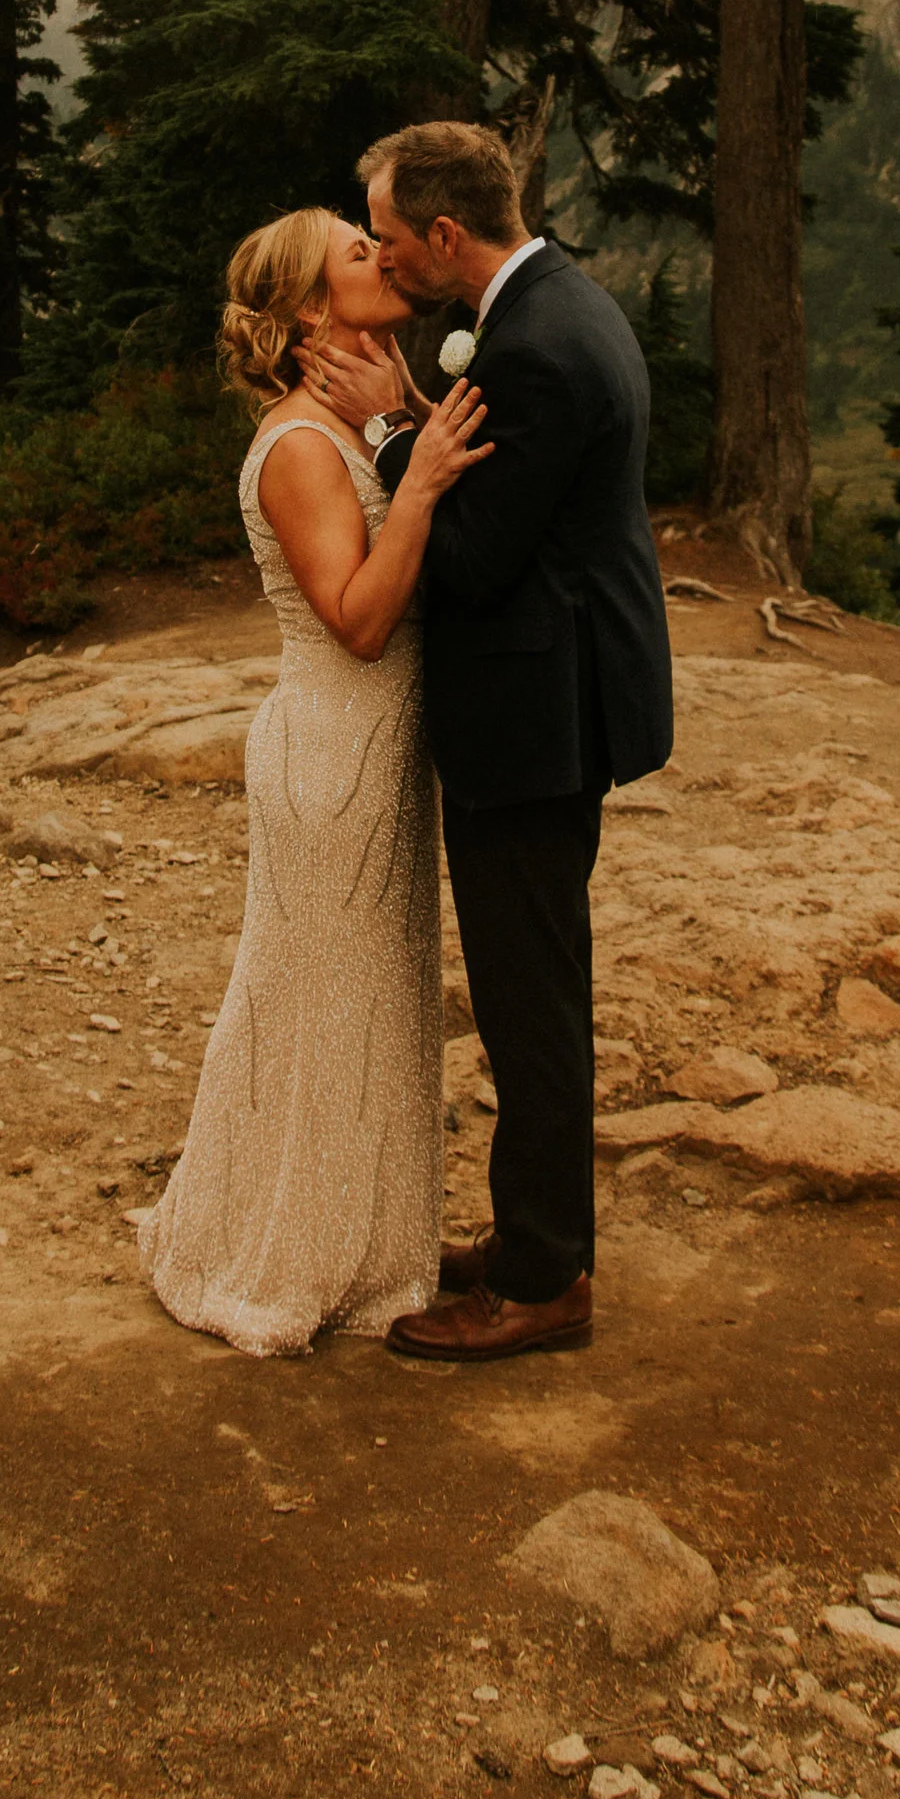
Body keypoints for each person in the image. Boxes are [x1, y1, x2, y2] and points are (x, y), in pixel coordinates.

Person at [307, 121, 674, 1367]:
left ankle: (543, 1278)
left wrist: (387, 437)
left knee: (529, 1001)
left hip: (535, 711)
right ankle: (531, 1241)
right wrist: (418, 414)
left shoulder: (537, 355)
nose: (383, 255)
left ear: (446, 237)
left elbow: (470, 557)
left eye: (391, 235)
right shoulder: (557, 306)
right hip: (567, 691)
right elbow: (516, 483)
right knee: (533, 987)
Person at [138, 211, 492, 1356]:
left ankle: (369, 1246)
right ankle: (278, 1256)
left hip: (378, 756)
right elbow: (358, 619)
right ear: (305, 313)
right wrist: (423, 479)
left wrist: (409, 429)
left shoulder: (355, 418)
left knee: (372, 1006)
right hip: (333, 757)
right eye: (355, 252)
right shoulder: (299, 447)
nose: (380, 258)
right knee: (321, 1006)